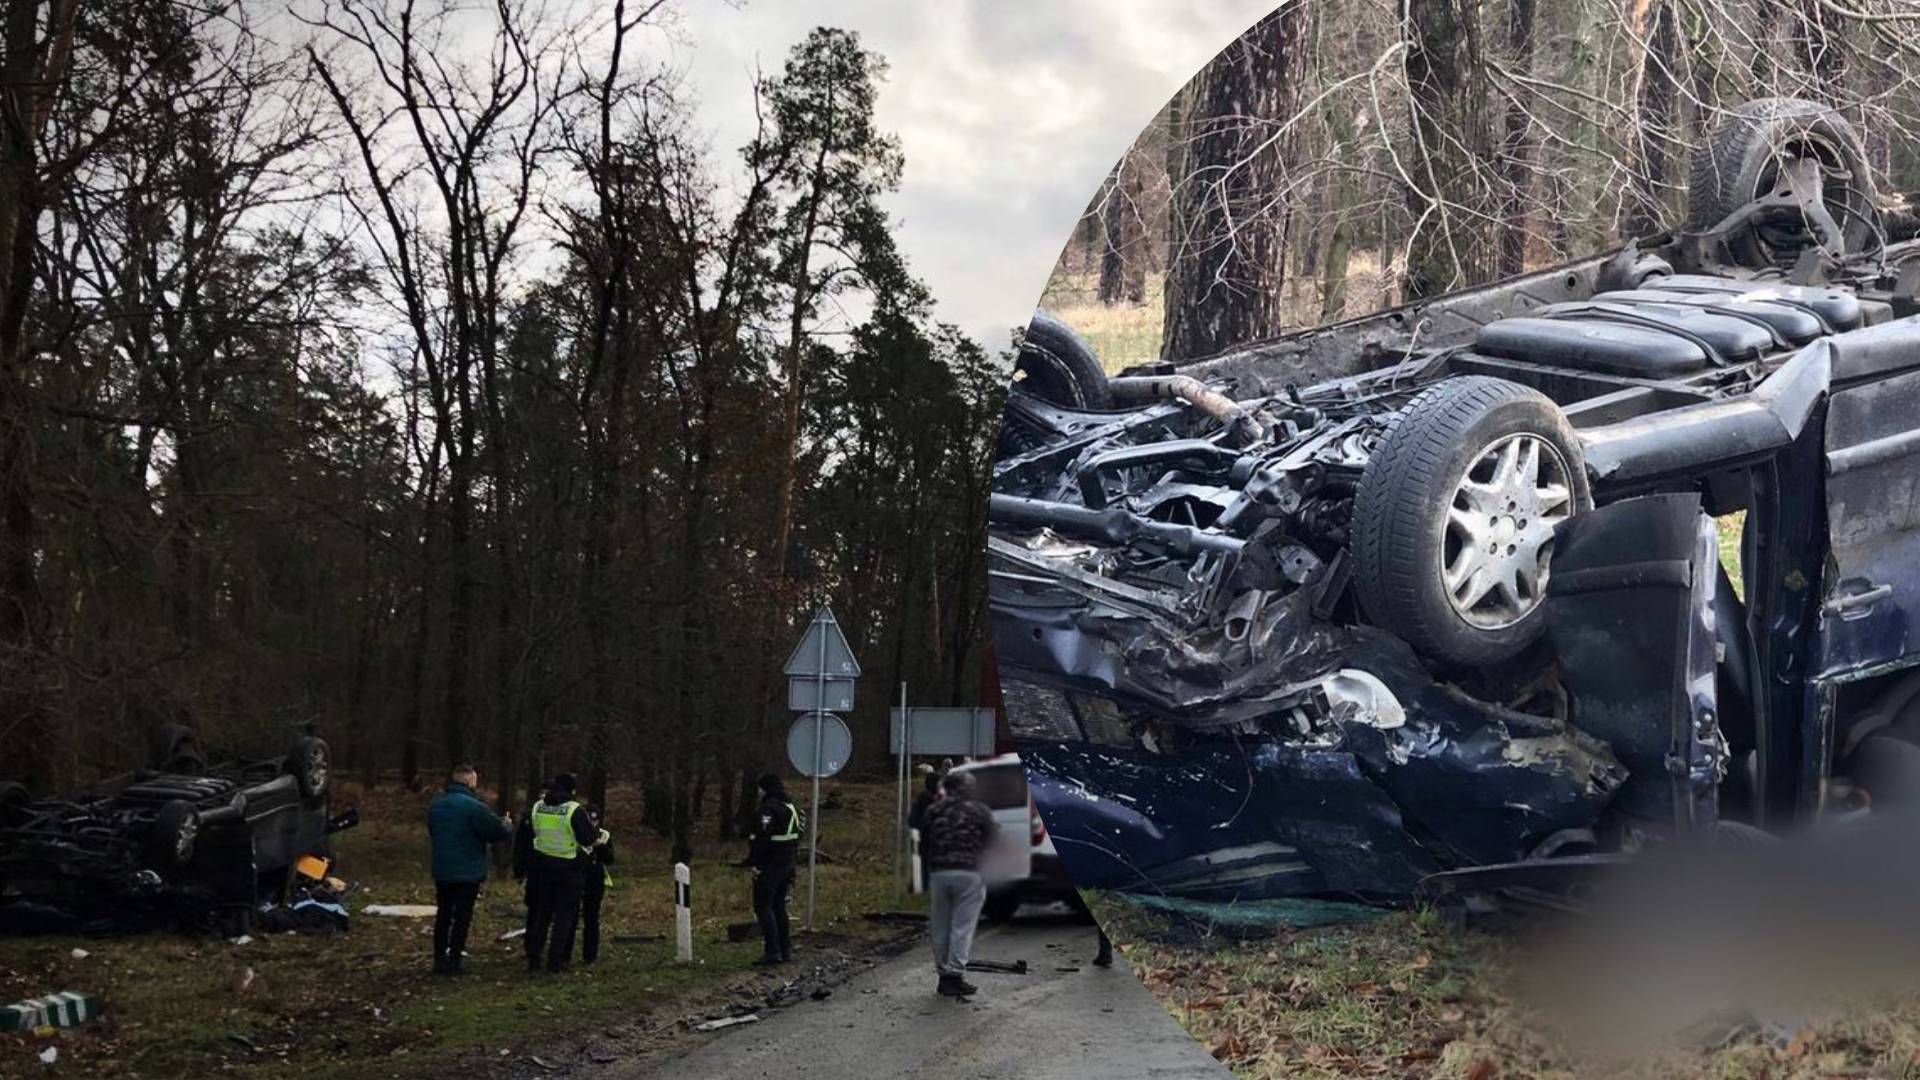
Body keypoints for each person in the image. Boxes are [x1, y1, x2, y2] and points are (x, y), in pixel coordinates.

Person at [426, 764, 513, 976]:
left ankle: (439, 960)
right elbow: (495, 831)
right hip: (467, 872)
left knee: (443, 915)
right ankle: (455, 959)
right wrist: (507, 825)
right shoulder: (474, 807)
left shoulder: (436, 806)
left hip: (443, 870)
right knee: (462, 917)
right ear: (469, 781)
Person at [921, 770, 997, 998]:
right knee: (962, 926)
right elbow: (992, 839)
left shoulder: (934, 810)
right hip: (969, 873)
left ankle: (943, 975)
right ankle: (954, 975)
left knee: (941, 925)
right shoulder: (979, 811)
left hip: (940, 873)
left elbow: (924, 841)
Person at [512, 772, 598, 973]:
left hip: (542, 869)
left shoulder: (538, 807)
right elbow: (588, 838)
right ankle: (555, 961)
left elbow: (531, 833)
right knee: (563, 918)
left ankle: (534, 958)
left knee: (541, 915)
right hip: (568, 869)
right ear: (573, 790)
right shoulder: (573, 810)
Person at [741, 772, 802, 966]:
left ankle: (772, 951)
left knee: (763, 907)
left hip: (770, 865)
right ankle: (785, 949)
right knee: (778, 907)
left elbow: (762, 839)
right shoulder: (790, 807)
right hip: (788, 863)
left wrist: (753, 861)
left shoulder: (768, 810)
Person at [578, 803, 615, 967]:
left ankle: (590, 955)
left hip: (595, 880)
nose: (592, 824)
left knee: (591, 918)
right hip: (576, 878)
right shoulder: (575, 834)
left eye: (595, 820)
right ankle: (563, 955)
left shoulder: (604, 835)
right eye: (589, 820)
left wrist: (599, 846)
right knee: (570, 918)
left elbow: (610, 859)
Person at [907, 766, 941, 891]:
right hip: (936, 836)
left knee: (923, 862)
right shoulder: (939, 799)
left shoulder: (922, 798)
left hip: (923, 836)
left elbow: (912, 819)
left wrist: (917, 828)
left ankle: (921, 885)